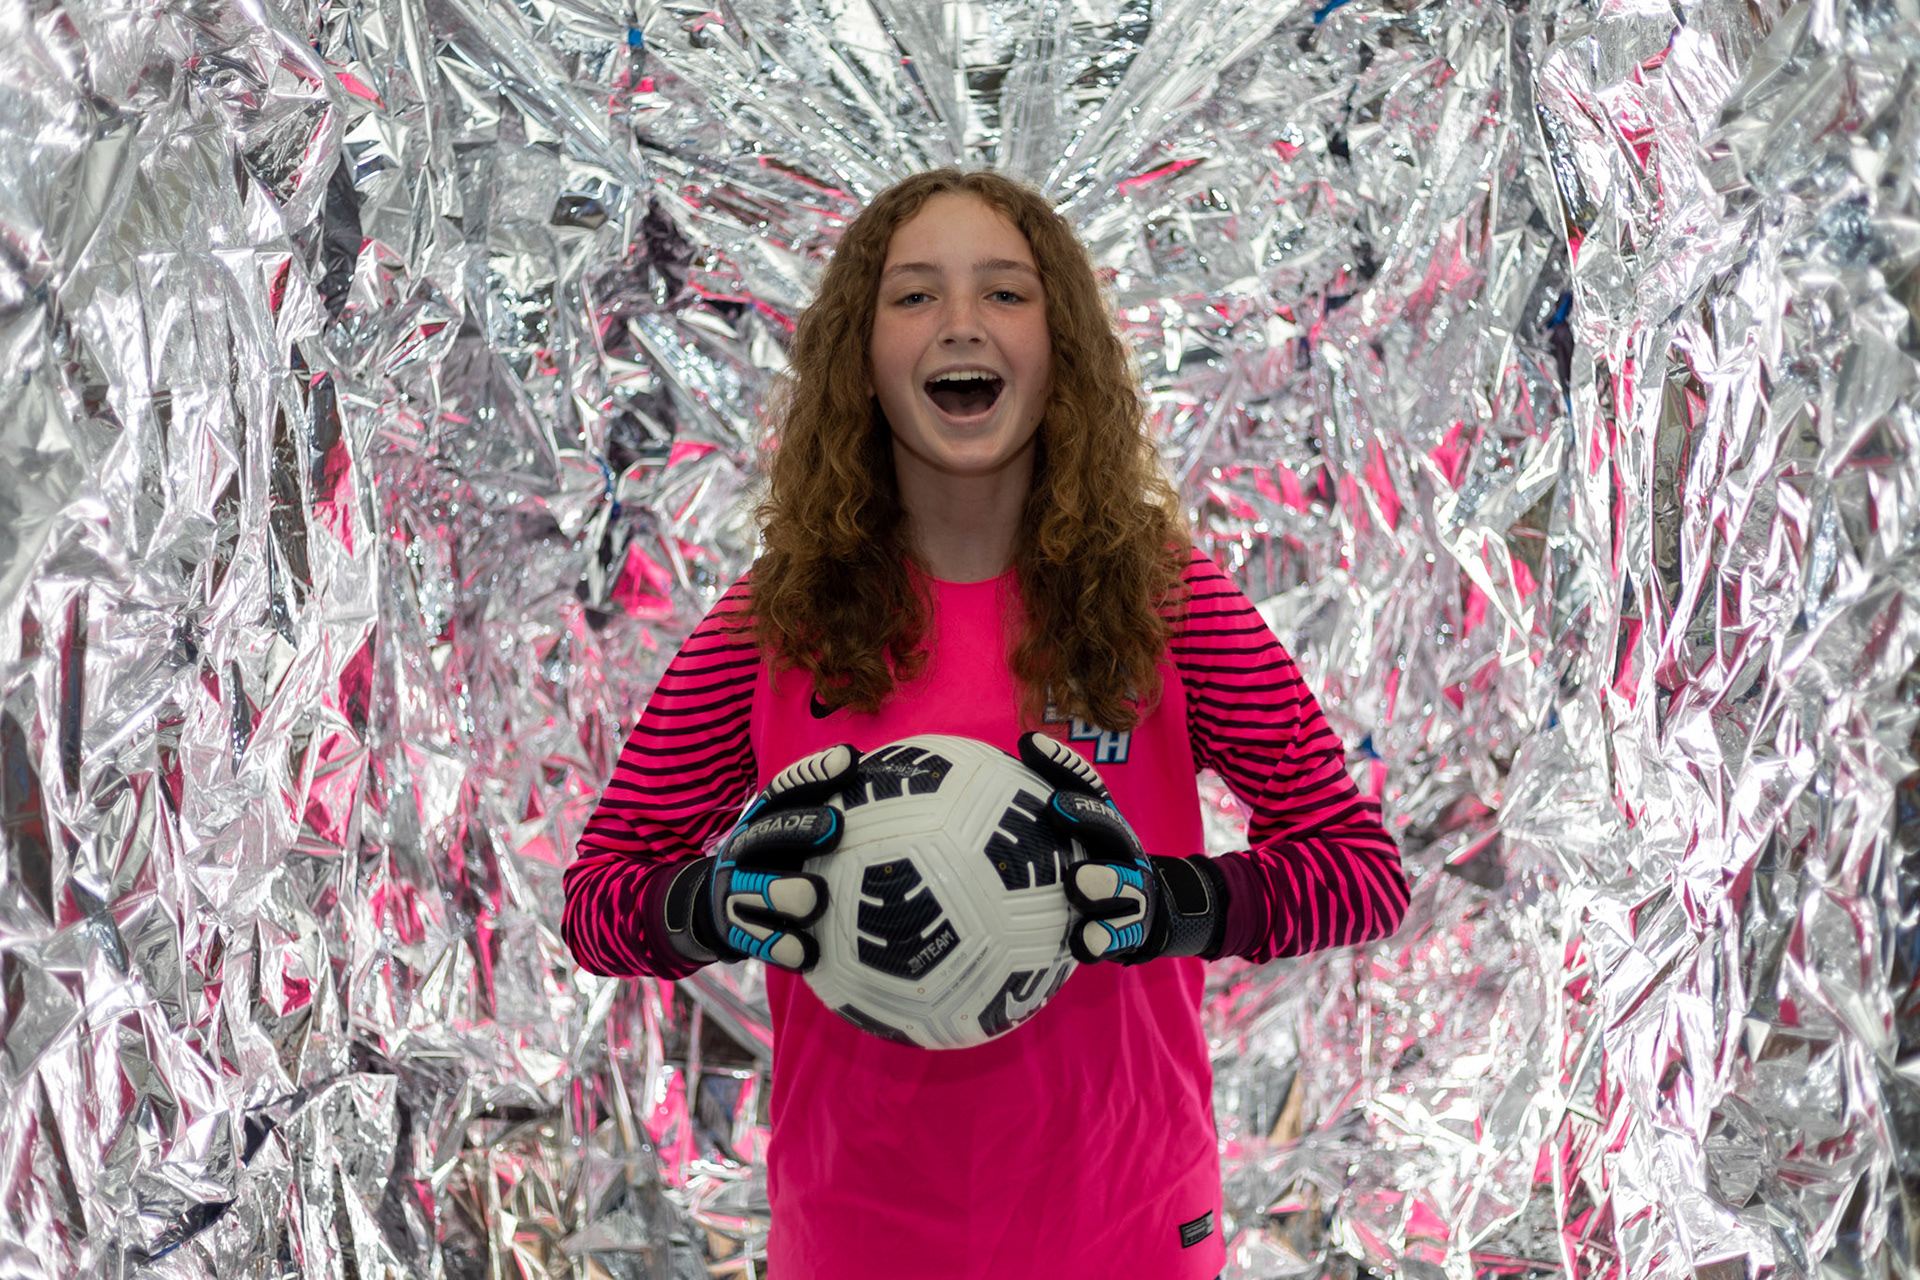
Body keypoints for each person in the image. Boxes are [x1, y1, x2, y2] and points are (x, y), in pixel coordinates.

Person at [562, 168, 1409, 1279]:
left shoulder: (1168, 602)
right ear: (860, 361)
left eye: (1006, 292)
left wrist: (1176, 903)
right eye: (914, 296)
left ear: (1063, 347)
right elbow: (596, 902)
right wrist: (715, 902)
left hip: (1130, 1232)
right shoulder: (774, 623)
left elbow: (1360, 871)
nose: (961, 321)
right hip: (858, 1242)